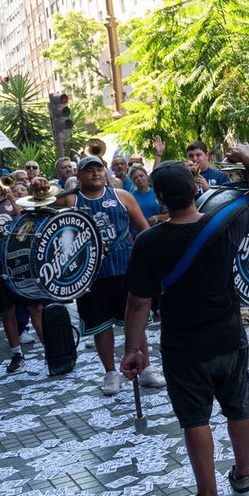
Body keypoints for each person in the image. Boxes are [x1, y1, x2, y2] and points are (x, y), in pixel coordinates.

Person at [121, 147, 249, 496]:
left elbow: (139, 303)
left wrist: (132, 351)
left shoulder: (149, 243)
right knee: (239, 406)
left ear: (158, 198)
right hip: (228, 335)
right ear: (196, 189)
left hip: (183, 345)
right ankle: (243, 477)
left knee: (195, 419)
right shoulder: (226, 223)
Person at [54, 156, 164, 394]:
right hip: (89, 276)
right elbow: (41, 208)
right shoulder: (70, 200)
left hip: (125, 269)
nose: (95, 174)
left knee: (135, 322)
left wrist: (149, 264)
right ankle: (110, 373)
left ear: (105, 172)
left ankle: (145, 369)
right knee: (100, 326)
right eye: (89, 171)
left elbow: (144, 230)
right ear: (79, 175)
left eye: (99, 169)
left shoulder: (122, 196)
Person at [0, 167, 46, 372]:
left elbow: (28, 221)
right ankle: (16, 353)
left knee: (36, 307)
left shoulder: (15, 202)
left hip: (20, 261)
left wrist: (12, 198)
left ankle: (49, 350)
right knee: (7, 311)